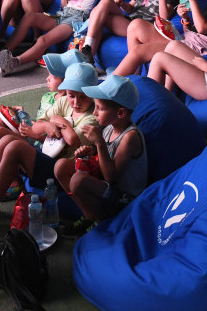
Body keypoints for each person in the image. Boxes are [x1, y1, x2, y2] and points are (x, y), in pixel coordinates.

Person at [0, 62, 98, 227]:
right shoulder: (64, 101)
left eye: (83, 96)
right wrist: (46, 125)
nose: (76, 102)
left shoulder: (91, 117)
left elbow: (72, 140)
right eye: (72, 95)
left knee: (16, 147)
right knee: (6, 140)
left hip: (63, 173)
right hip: (48, 157)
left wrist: (58, 120)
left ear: (92, 94)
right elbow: (36, 127)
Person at [54, 75, 146, 227]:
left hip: (123, 199)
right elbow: (102, 161)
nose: (94, 112)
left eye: (100, 108)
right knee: (61, 166)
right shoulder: (110, 128)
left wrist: (100, 144)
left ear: (120, 113)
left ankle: (100, 223)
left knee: (78, 180)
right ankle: (89, 214)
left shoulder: (130, 137)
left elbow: (111, 178)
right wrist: (90, 154)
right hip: (106, 187)